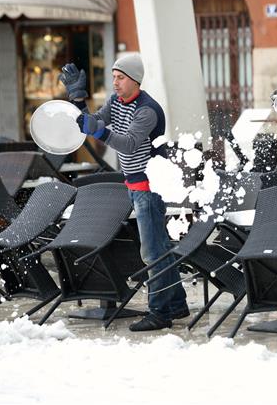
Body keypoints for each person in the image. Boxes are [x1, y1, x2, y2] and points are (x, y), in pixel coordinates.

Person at [59, 54, 189, 331]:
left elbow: (128, 144)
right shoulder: (116, 102)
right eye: (114, 77)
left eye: (120, 78)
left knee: (152, 252)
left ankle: (160, 312)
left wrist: (100, 132)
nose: (115, 83)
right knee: (161, 248)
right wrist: (77, 100)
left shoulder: (147, 110)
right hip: (133, 184)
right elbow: (91, 122)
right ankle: (176, 304)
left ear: (135, 80)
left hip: (150, 186)